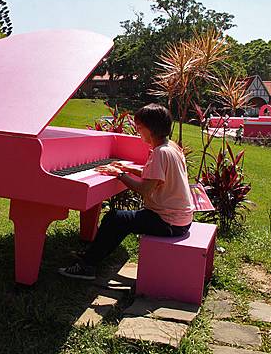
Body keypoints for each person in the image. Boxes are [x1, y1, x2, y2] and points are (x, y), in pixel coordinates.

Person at [58, 103, 194, 280]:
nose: (137, 131)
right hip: (180, 219)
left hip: (169, 223)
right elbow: (157, 176)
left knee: (116, 218)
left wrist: (120, 174)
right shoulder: (171, 147)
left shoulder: (160, 152)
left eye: (139, 127)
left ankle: (87, 266)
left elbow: (144, 189)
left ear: (151, 128)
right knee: (121, 220)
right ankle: (92, 254)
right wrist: (127, 169)